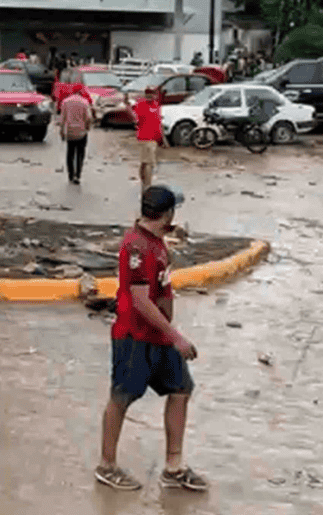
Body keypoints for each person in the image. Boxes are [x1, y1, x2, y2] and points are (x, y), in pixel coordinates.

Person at [95, 185, 207, 493]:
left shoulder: (156, 242)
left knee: (181, 388)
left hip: (159, 336)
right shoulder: (136, 247)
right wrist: (177, 337)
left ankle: (174, 467)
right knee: (121, 397)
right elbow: (141, 301)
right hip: (135, 337)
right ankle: (107, 465)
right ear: (167, 213)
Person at [59, 84, 94, 184]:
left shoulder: (66, 102)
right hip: (81, 132)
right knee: (80, 154)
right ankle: (77, 175)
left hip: (70, 131)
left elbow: (62, 119)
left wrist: (61, 131)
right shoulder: (84, 102)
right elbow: (89, 118)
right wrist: (87, 127)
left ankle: (70, 175)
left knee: (70, 153)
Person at [133, 87, 165, 192]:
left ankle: (143, 182)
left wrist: (161, 138)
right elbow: (137, 119)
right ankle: (147, 186)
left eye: (152, 94)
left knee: (144, 162)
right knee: (149, 163)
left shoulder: (155, 105)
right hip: (146, 138)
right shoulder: (142, 105)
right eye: (149, 94)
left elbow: (158, 122)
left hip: (150, 138)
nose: (151, 96)